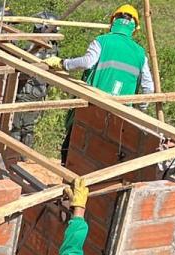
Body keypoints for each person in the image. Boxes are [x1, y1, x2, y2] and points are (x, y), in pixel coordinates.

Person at [45, 4, 154, 161]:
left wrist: (62, 63)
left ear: (113, 22)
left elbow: (87, 62)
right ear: (135, 28)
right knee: (105, 159)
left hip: (91, 108)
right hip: (121, 116)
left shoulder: (102, 41)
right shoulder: (140, 53)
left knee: (71, 155)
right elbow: (148, 88)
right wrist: (140, 109)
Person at [9, 12, 59, 148]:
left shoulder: (38, 47)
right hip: (38, 92)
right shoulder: (52, 48)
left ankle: (16, 156)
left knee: (18, 127)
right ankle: (21, 157)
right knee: (27, 128)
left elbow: (23, 62)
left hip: (27, 92)